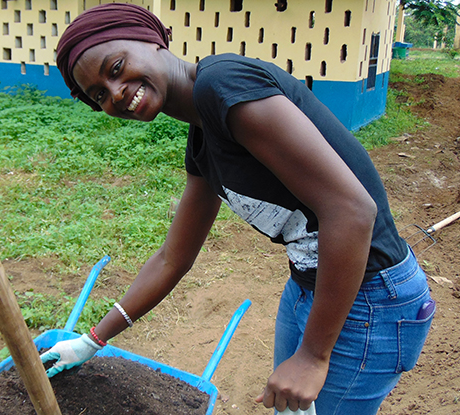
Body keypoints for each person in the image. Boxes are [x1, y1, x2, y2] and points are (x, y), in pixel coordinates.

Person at [39, 4, 434, 414]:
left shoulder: (224, 84)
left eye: (116, 67)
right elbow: (172, 259)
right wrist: (92, 340)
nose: (115, 92)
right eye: (99, 94)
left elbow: (352, 211)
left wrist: (313, 356)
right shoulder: (203, 142)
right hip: (309, 289)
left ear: (149, 39)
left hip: (371, 300)